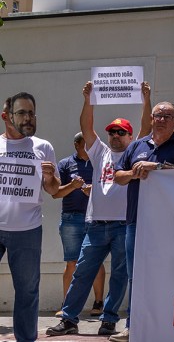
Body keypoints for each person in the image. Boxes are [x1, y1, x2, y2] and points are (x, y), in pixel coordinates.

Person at [47, 82, 150, 337]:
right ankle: (69, 318)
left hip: (123, 224)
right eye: (112, 132)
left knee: (119, 276)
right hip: (95, 225)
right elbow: (86, 128)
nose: (115, 135)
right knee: (82, 272)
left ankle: (109, 319)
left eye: (120, 132)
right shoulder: (100, 152)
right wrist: (88, 99)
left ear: (129, 136)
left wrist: (147, 100)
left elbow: (147, 129)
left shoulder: (135, 151)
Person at [112, 101, 174, 342]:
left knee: (168, 272)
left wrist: (156, 167)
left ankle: (166, 325)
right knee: (134, 274)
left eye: (167, 116)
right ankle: (132, 326)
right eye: (158, 115)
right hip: (136, 220)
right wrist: (133, 173)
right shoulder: (136, 145)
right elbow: (118, 176)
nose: (161, 119)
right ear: (150, 119)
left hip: (168, 223)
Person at [0, 92, 60, 342]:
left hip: (27, 230)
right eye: (22, 113)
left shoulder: (43, 147)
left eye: (32, 113)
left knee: (27, 291)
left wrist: (49, 178)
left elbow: (54, 190)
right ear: (7, 116)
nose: (28, 118)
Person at [53, 132, 105, 318]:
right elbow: (55, 192)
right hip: (71, 218)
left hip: (95, 217)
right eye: (86, 145)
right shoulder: (65, 164)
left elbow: (110, 186)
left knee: (96, 261)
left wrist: (93, 191)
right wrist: (73, 186)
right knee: (72, 263)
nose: (90, 148)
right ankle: (66, 305)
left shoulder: (100, 162)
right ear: (76, 145)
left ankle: (98, 303)